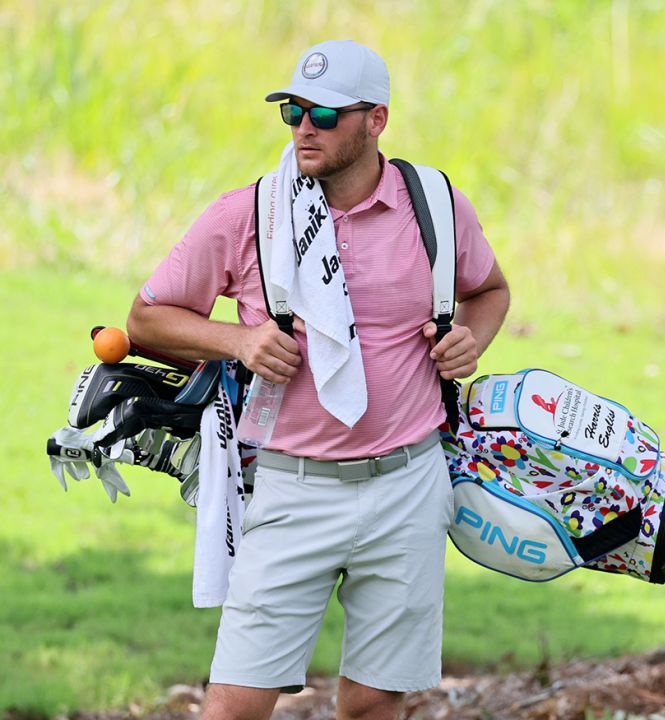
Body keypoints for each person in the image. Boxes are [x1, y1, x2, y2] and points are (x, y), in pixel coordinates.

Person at [128, 39, 510, 720]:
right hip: (291, 488)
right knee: (235, 708)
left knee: (370, 707)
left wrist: (468, 341)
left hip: (408, 487)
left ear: (376, 121)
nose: (305, 126)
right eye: (294, 111)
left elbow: (490, 290)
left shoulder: (436, 206)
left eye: (325, 114)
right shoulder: (250, 214)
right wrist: (238, 340)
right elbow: (146, 318)